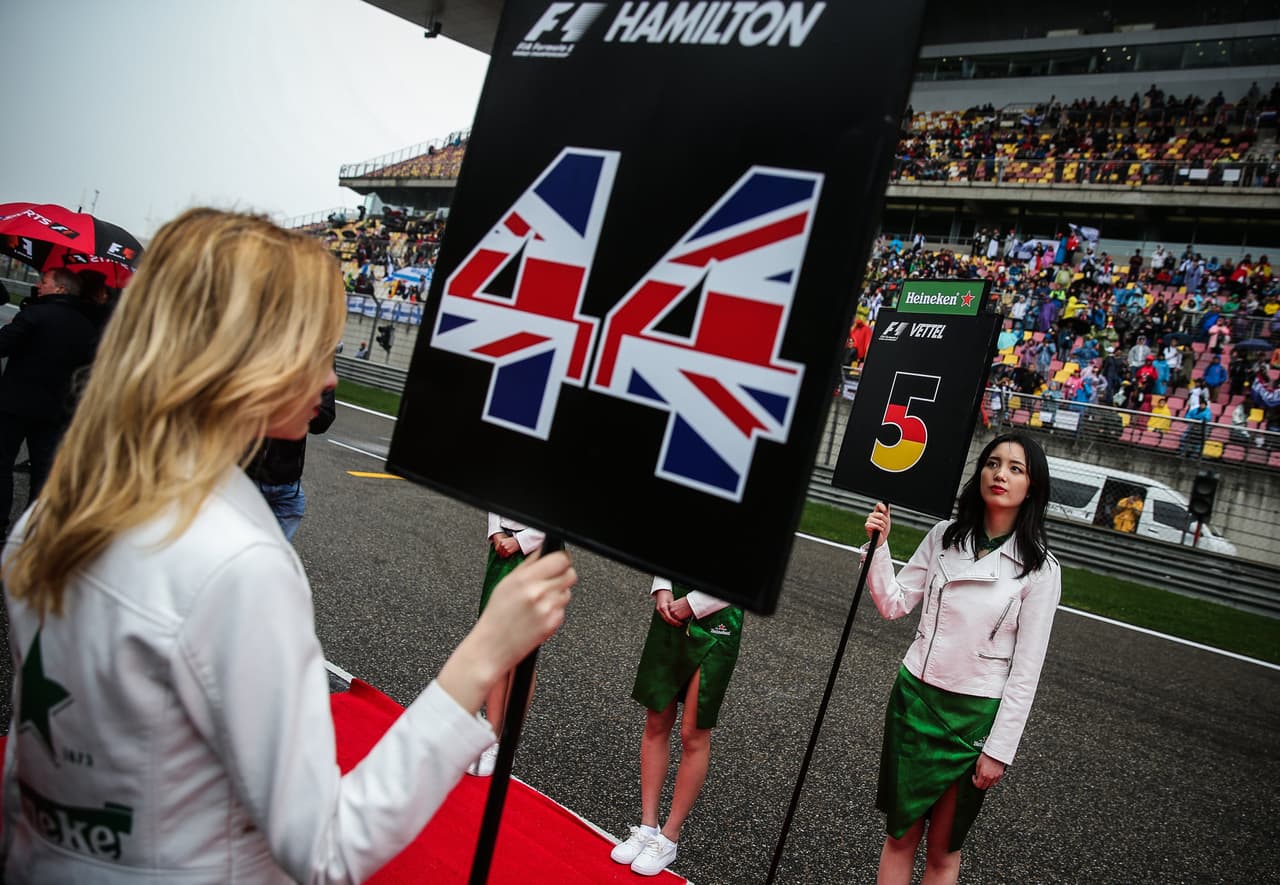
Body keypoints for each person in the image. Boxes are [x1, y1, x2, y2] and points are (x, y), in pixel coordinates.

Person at [0, 209, 577, 882]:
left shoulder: (55, 507)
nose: (330, 377)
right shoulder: (238, 563)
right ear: (244, 358)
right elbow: (327, 848)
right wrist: (483, 652)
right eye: (314, 349)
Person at [861, 433, 1061, 885]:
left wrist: (999, 750)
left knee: (943, 852)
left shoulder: (1041, 569)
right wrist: (879, 547)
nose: (1001, 474)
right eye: (993, 463)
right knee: (899, 836)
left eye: (1016, 468)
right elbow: (893, 604)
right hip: (913, 700)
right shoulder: (943, 537)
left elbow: (1026, 671)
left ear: (1033, 486)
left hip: (972, 719)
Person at [610, 576, 743, 877]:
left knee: (693, 733)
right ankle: (647, 826)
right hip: (670, 607)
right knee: (656, 719)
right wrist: (663, 588)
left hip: (718, 616)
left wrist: (694, 603)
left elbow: (753, 570)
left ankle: (669, 837)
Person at [0, 268, 100, 545]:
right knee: (43, 473)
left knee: (2, 465)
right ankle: (30, 533)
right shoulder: (86, 326)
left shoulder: (35, 314)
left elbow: (3, 344)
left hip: (13, 405)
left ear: (60, 289)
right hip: (55, 410)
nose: (38, 285)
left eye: (44, 281)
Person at [468, 513, 546, 777]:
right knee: (495, 648)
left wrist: (523, 540)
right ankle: (490, 737)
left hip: (537, 553)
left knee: (521, 653)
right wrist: (497, 533)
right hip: (503, 549)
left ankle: (506, 744)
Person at [246, 384, 336, 542]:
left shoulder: (323, 362)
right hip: (250, 475)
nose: (332, 379)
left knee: (273, 552)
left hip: (288, 481)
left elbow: (324, 419)